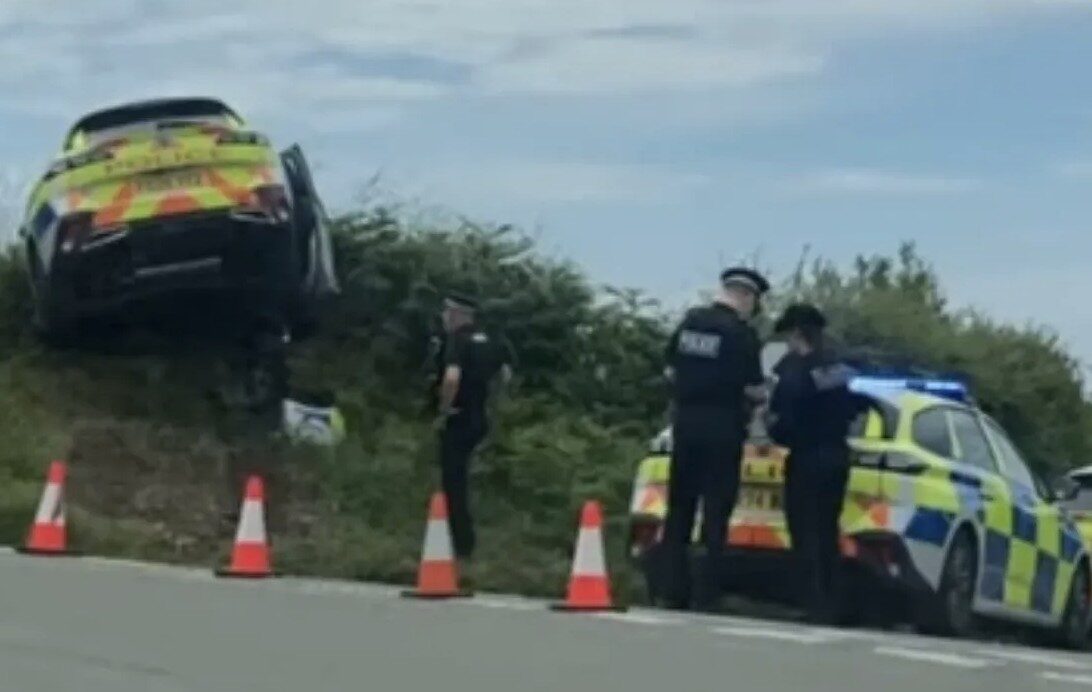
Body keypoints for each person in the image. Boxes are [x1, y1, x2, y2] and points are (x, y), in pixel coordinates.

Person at [660, 267, 770, 611]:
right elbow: (753, 387)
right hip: (722, 426)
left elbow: (669, 369)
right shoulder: (741, 335)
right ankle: (706, 593)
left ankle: (671, 589)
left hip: (686, 422)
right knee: (716, 510)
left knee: (679, 508)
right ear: (746, 297)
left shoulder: (690, 323)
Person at [767, 303, 867, 624]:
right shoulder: (839, 367)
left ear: (797, 334)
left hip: (807, 457)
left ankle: (810, 603)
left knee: (803, 529)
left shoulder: (795, 370)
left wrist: (772, 429)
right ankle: (830, 603)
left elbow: (784, 415)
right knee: (826, 530)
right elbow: (856, 406)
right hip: (837, 457)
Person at [433, 292, 514, 559]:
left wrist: (445, 409)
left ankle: (460, 544)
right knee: (465, 478)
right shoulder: (493, 340)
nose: (444, 317)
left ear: (458, 314)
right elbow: (505, 375)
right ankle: (463, 540)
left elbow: (452, 378)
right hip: (480, 416)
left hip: (459, 417)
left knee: (453, 481)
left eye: (447, 312)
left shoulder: (457, 341)